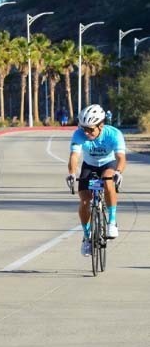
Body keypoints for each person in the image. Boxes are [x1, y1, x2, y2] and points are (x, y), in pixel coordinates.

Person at [66, 104, 126, 256]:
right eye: (84, 128)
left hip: (108, 164)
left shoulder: (114, 134)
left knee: (107, 180)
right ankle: (87, 238)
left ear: (101, 125)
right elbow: (74, 156)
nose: (87, 133)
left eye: (91, 129)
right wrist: (72, 173)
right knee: (85, 202)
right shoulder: (79, 134)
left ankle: (112, 222)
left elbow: (121, 158)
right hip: (89, 166)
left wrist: (118, 172)